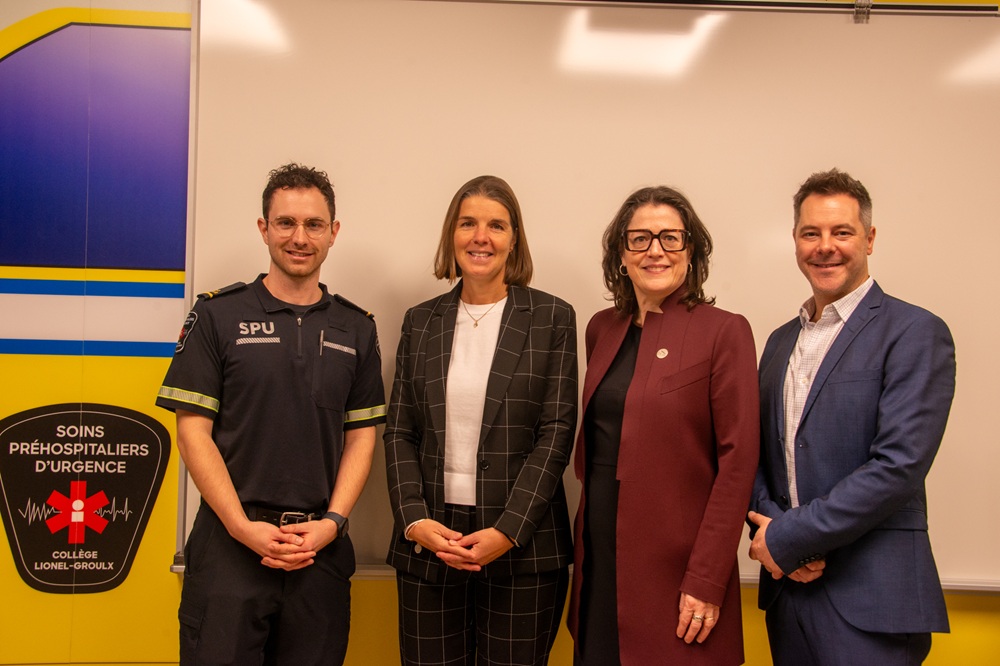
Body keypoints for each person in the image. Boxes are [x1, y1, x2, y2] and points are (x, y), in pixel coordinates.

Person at [155, 163, 386, 665]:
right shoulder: (216, 315)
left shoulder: (357, 328)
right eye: (285, 223)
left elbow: (362, 437)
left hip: (318, 553)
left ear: (333, 233)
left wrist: (332, 523)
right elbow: (193, 432)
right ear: (264, 229)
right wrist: (240, 526)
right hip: (230, 549)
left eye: (314, 225)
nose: (299, 237)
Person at [748, 168, 956, 665]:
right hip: (788, 594)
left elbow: (898, 466)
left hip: (873, 601)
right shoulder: (779, 342)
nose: (825, 246)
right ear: (795, 241)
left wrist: (792, 537)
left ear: (869, 237)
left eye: (841, 232)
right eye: (810, 233)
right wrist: (776, 533)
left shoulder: (915, 332)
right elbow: (757, 454)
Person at [384, 175, 577, 666]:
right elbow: (400, 430)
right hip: (432, 540)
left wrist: (509, 529)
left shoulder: (552, 317)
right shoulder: (420, 321)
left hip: (522, 545)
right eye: (468, 223)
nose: (480, 237)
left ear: (515, 239)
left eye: (496, 225)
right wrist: (413, 519)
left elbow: (556, 432)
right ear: (452, 234)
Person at [567, 186, 759, 665]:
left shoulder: (725, 331)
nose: (655, 250)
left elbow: (738, 465)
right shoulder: (601, 329)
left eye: (670, 238)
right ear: (621, 254)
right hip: (599, 561)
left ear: (690, 251)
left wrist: (707, 579)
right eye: (640, 239)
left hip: (679, 573)